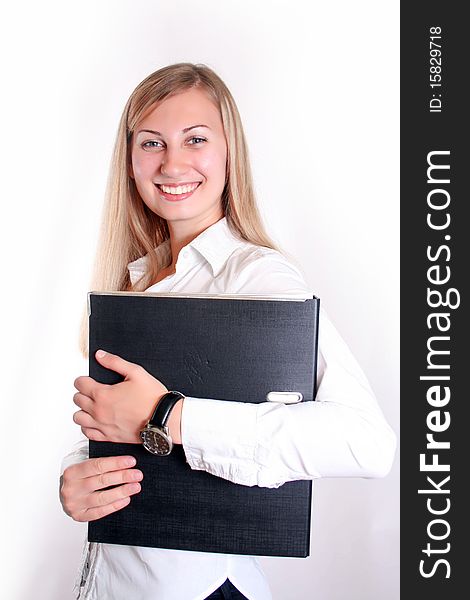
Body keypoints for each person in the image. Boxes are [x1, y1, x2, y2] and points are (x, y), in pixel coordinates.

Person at [59, 62, 397, 600]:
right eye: (151, 143)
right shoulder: (137, 280)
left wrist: (168, 414)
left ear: (229, 153)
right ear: (129, 161)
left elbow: (366, 444)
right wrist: (81, 476)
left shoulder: (259, 277)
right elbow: (123, 438)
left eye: (195, 139)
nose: (172, 164)